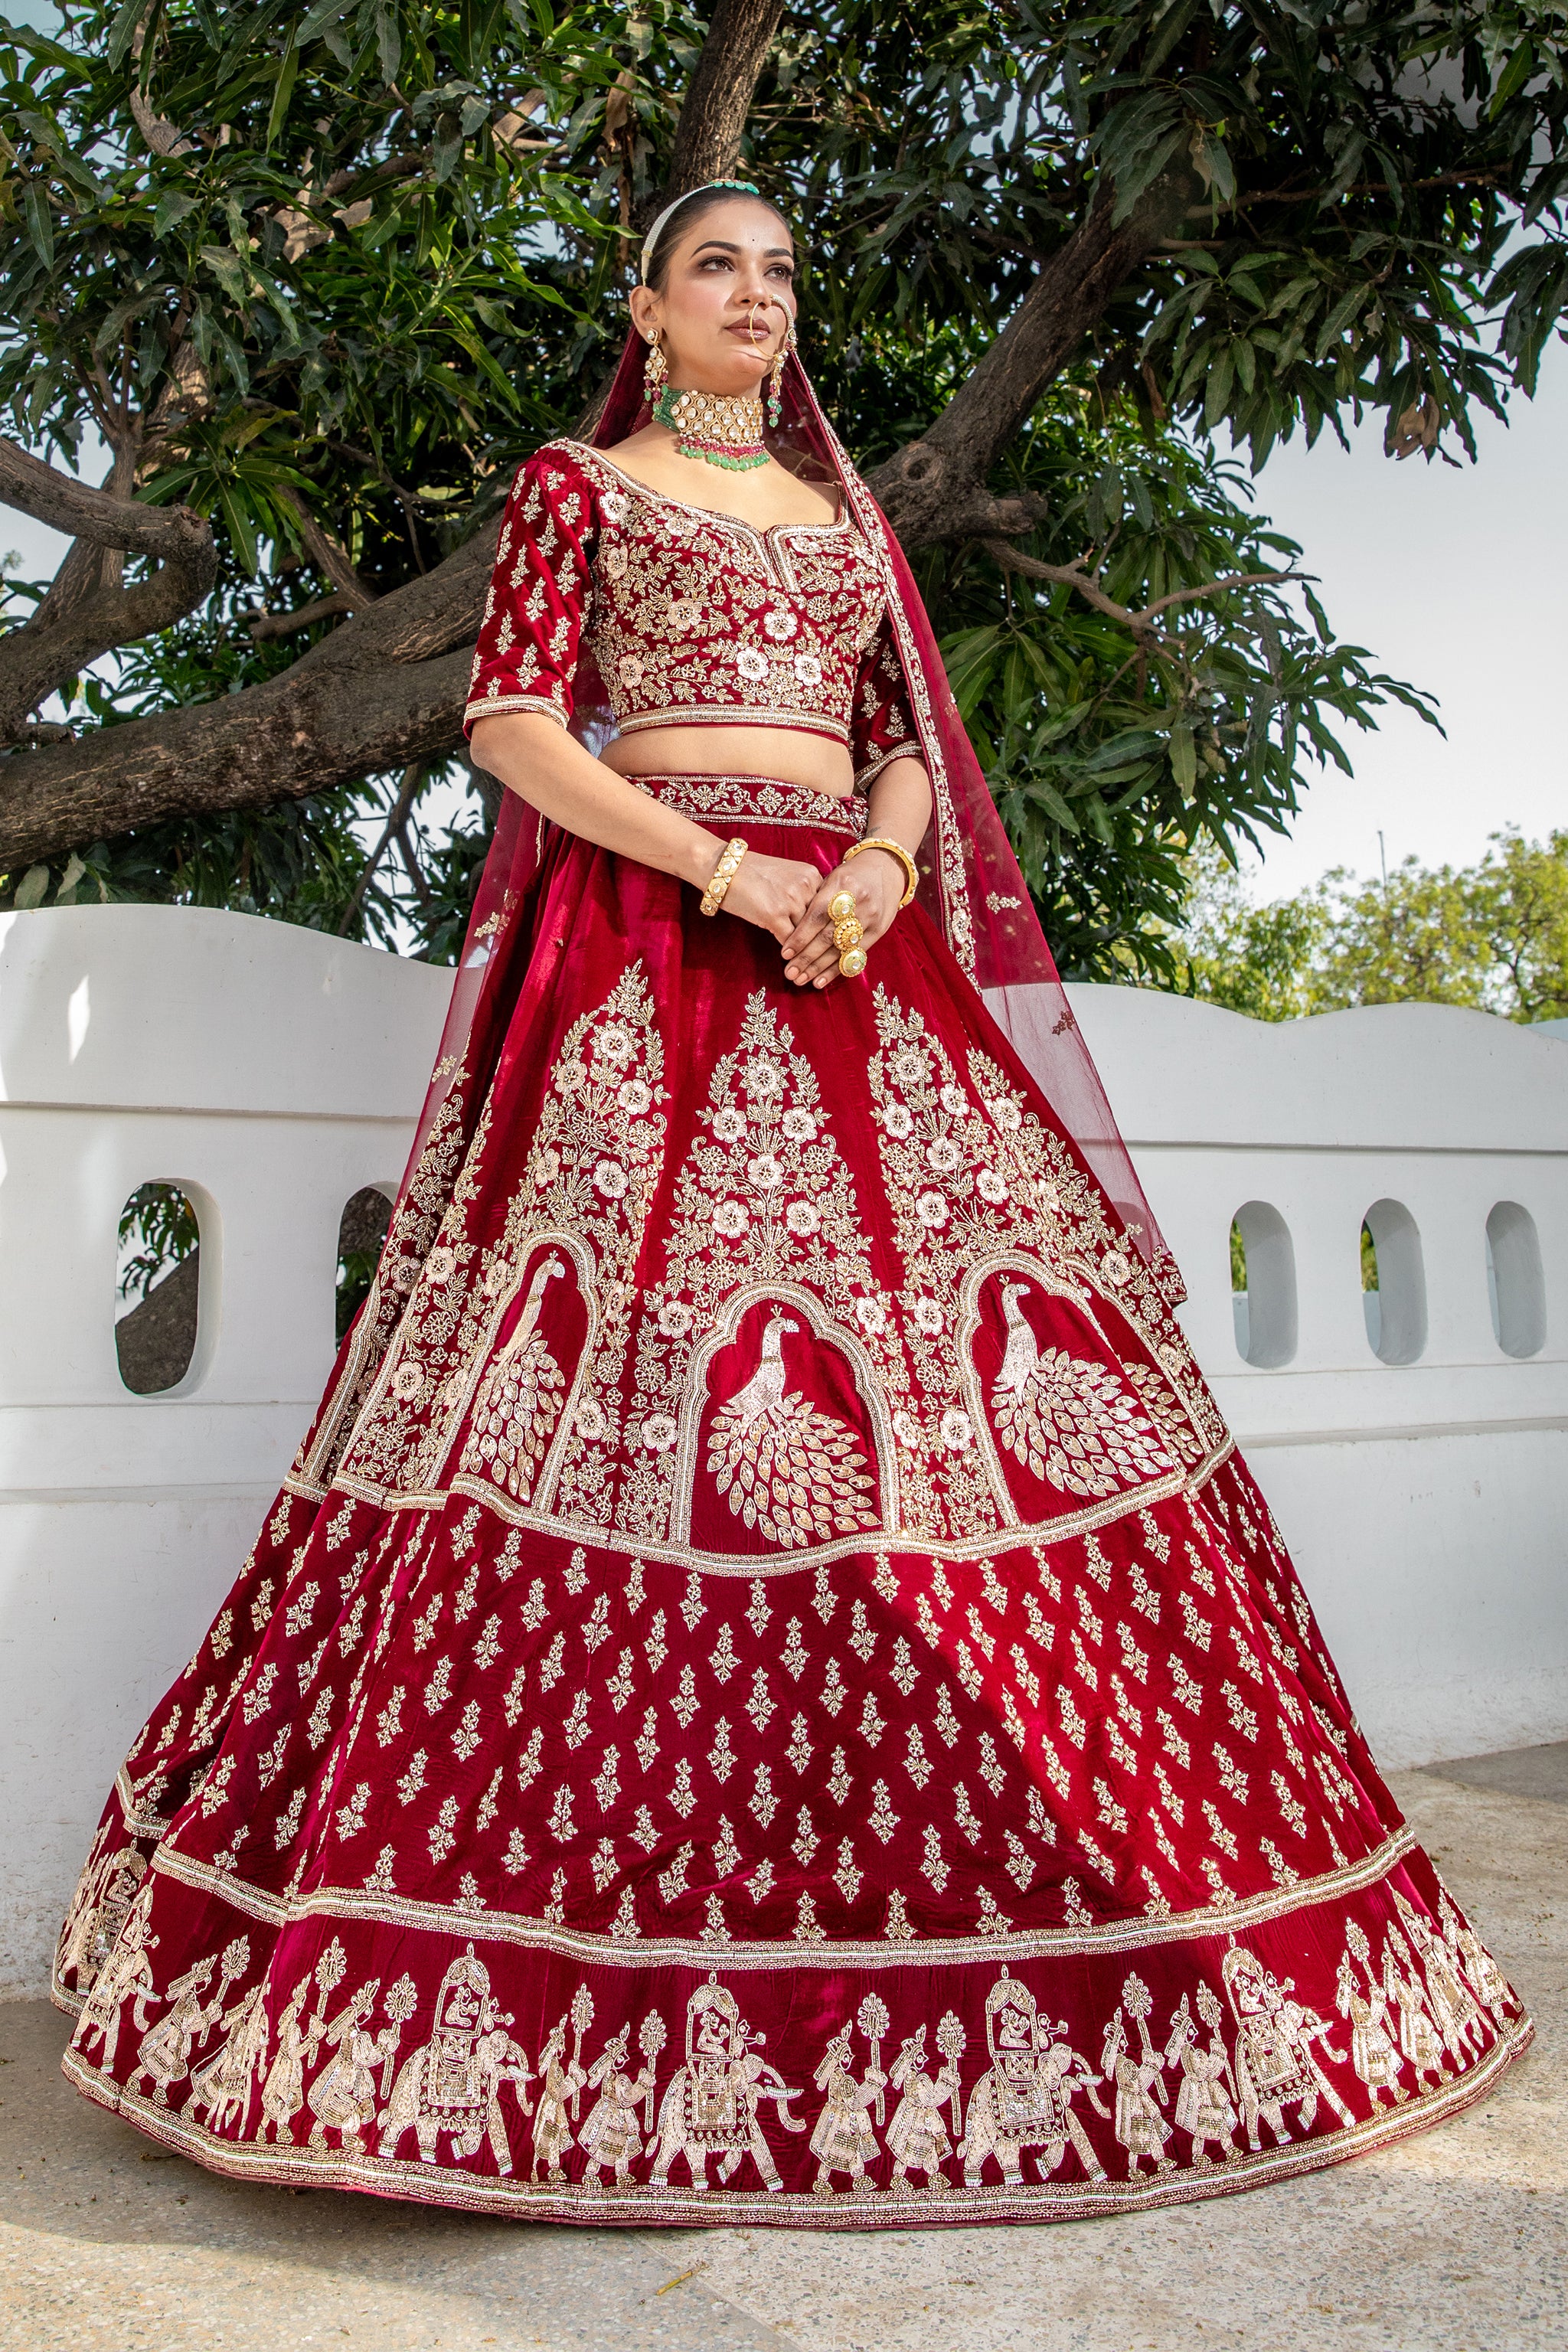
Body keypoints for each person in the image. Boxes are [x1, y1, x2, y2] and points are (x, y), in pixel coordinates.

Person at [55, 181, 1530, 2223]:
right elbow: (512, 723)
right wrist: (728, 868)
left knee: (962, 1405)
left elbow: (905, 744)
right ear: (649, 308)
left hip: (857, 949)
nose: (755, 297)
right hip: (648, 954)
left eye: (778, 271)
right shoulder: (579, 486)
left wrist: (877, 867)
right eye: (715, 268)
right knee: (601, 1385)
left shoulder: (847, 523)